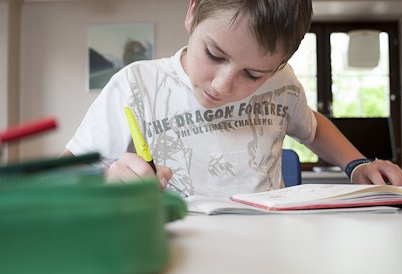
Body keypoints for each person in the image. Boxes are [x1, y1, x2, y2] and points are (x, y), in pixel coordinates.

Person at [61, 0, 402, 198]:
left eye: (253, 75)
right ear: (193, 12)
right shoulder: (136, 85)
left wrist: (357, 165)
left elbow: (311, 129)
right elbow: (62, 175)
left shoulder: (282, 82)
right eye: (213, 54)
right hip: (173, 250)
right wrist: (107, 180)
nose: (223, 86)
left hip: (267, 252)